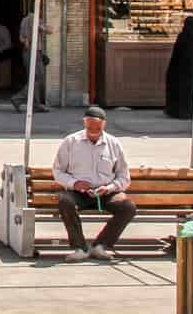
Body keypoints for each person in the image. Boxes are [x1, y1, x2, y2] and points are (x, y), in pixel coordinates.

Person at [52, 106, 136, 263]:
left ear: (104, 124)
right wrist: (74, 183)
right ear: (84, 123)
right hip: (79, 192)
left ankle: (101, 245)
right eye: (89, 125)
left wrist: (109, 188)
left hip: (105, 192)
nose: (93, 129)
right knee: (65, 201)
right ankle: (80, 248)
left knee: (128, 207)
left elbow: (124, 177)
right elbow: (57, 171)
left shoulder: (114, 144)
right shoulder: (70, 142)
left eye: (97, 126)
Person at [162, 15, 193, 120]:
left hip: (181, 69)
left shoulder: (182, 36)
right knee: (192, 89)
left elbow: (176, 53)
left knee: (181, 90)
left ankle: (180, 111)